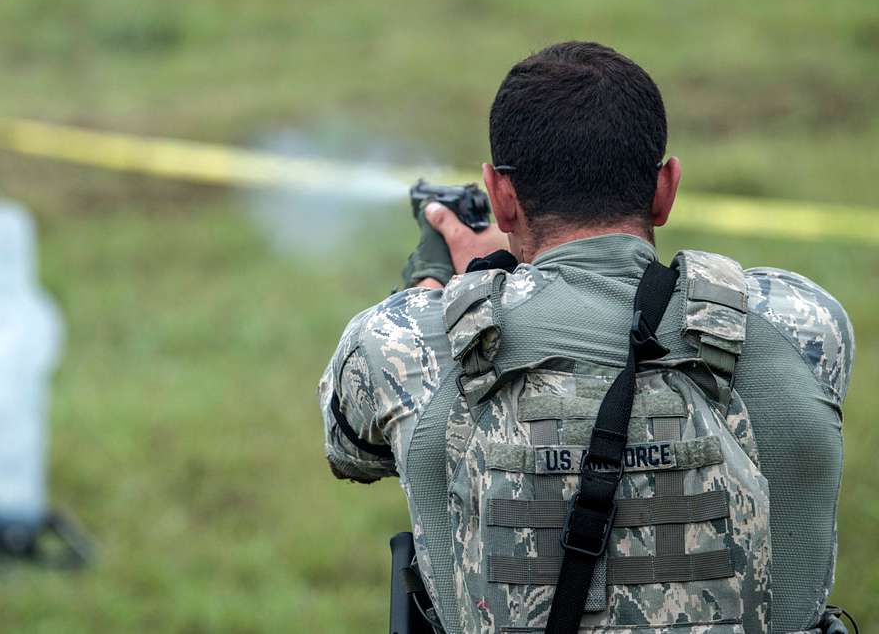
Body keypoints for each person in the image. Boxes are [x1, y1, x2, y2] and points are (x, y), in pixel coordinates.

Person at [318, 41, 853, 634]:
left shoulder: (406, 342)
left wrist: (440, 287)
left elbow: (353, 450)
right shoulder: (804, 325)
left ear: (500, 196)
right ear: (665, 188)